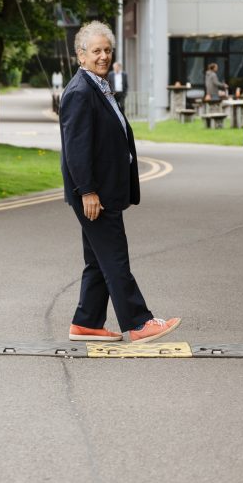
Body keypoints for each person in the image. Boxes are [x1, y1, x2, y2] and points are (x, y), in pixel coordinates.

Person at [60, 21, 181, 343]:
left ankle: (86, 322)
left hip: (105, 190)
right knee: (114, 257)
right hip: (95, 193)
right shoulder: (80, 92)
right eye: (96, 50)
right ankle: (139, 322)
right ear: (80, 55)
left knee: (98, 260)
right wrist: (87, 191)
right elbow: (76, 149)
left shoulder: (97, 86)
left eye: (107, 50)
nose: (103, 56)